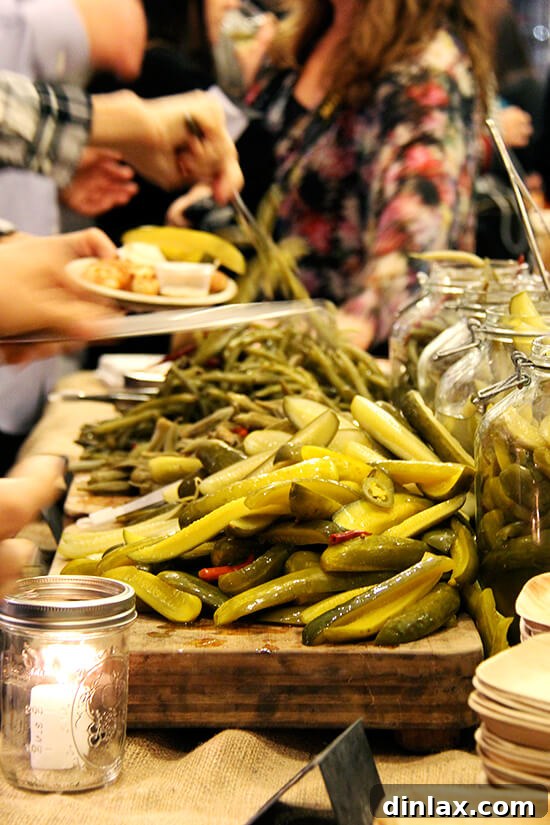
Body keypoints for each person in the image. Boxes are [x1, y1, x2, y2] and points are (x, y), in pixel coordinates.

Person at [171, 0, 492, 351]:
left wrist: (300, 341)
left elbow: (412, 259)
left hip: (343, 370)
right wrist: (204, 201)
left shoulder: (426, 69)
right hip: (258, 338)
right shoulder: (300, 40)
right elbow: (272, 176)